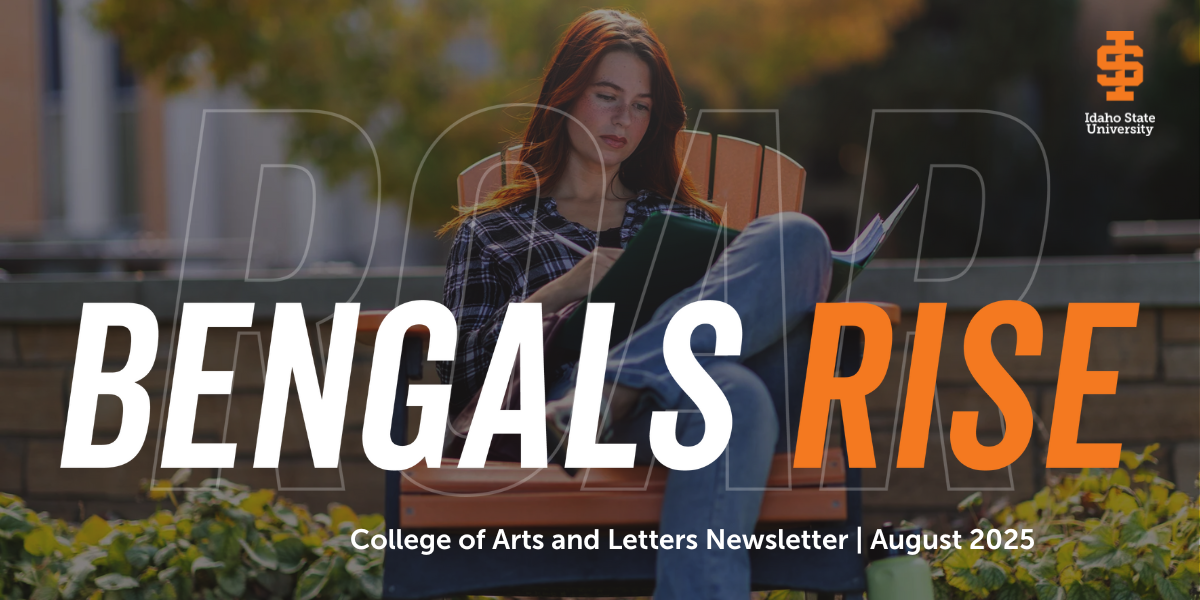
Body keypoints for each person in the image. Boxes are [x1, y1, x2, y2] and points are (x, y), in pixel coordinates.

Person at [436, 9, 832, 599]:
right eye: (608, 96)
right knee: (740, 400)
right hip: (556, 425)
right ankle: (598, 394)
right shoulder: (495, 233)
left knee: (798, 237)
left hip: (678, 407)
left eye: (642, 106)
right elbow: (462, 376)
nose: (625, 119)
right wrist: (562, 289)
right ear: (565, 96)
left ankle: (616, 384)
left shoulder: (685, 224)